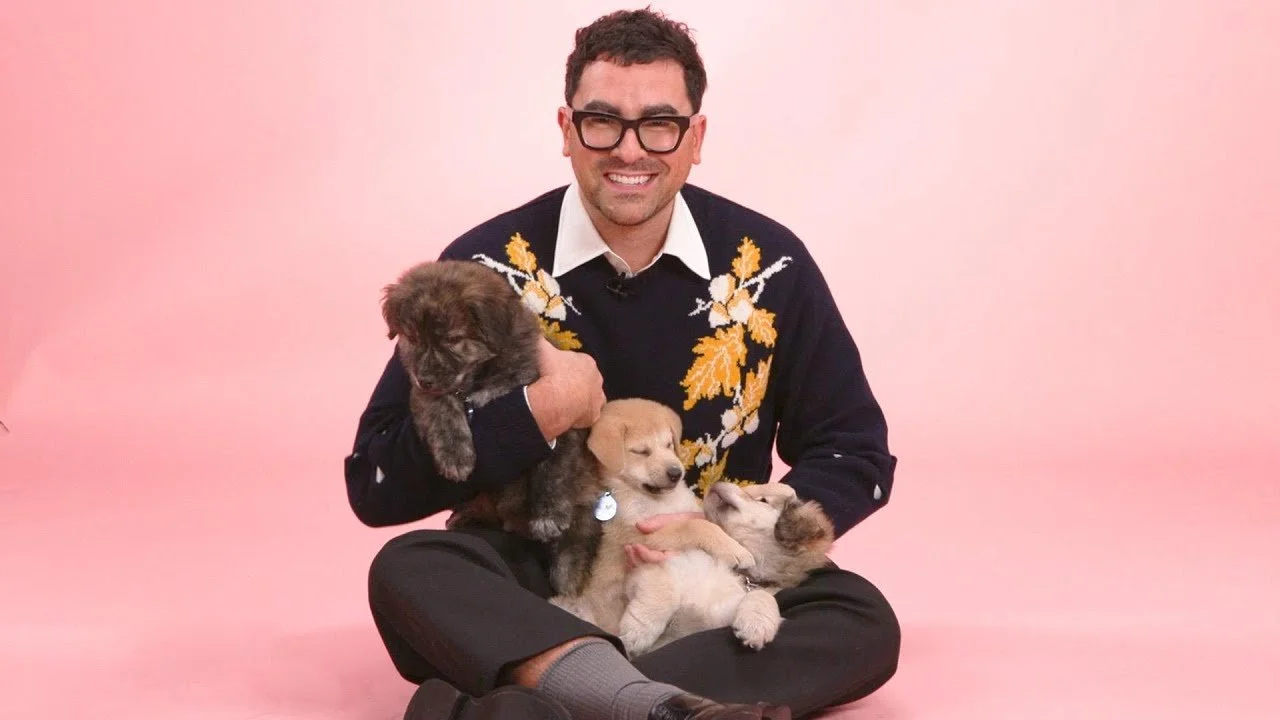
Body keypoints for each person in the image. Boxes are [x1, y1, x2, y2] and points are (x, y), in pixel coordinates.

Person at [344, 8, 900, 720]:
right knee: (415, 568)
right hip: (544, 569)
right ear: (566, 129)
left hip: (704, 565)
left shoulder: (772, 266)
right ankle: (652, 704)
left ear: (695, 137)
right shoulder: (482, 272)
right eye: (602, 121)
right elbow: (377, 480)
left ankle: (561, 693)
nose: (630, 150)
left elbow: (854, 449)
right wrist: (540, 411)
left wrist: (746, 532)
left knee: (860, 617)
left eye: (659, 124)